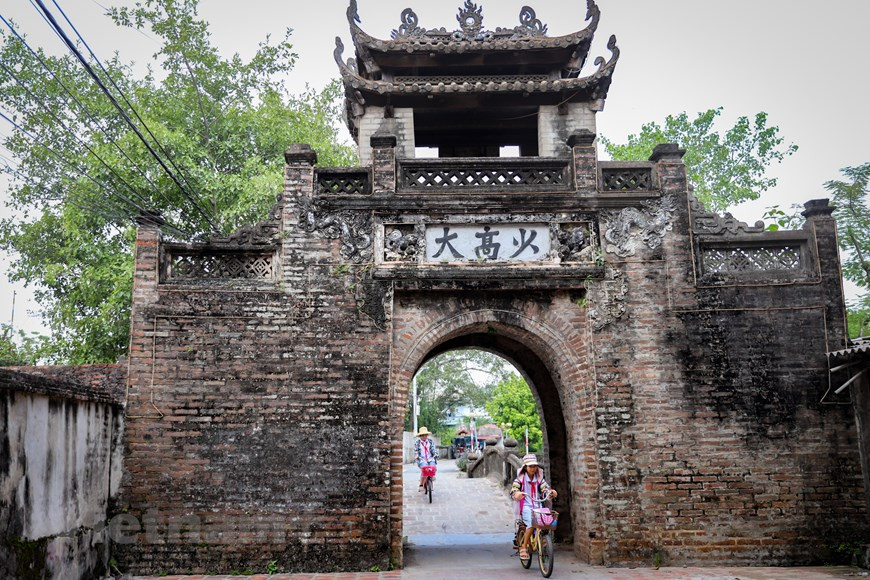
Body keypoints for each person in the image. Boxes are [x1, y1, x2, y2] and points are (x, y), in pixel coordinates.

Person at [511, 453, 557, 559]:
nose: (533, 469)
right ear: (525, 467)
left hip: (538, 504)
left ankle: (543, 540)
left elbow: (545, 488)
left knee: (547, 522)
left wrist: (550, 492)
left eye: (535, 466)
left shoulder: (539, 479)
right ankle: (523, 547)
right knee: (532, 524)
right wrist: (517, 493)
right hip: (526, 506)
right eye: (530, 466)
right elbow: (514, 489)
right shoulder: (520, 479)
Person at [414, 426, 438, 492]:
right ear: (420, 436)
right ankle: (421, 485)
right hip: (422, 459)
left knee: (433, 467)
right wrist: (417, 456)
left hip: (430, 458)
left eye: (425, 435)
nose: (424, 436)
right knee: (424, 470)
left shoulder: (430, 441)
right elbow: (416, 451)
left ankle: (431, 479)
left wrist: (435, 454)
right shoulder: (417, 443)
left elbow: (434, 449)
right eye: (422, 435)